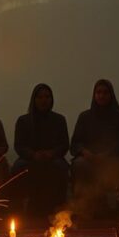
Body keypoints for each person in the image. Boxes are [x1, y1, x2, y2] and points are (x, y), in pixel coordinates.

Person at [70, 79, 119, 218]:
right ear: (94, 95)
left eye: (105, 93)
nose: (101, 96)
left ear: (111, 95)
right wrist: (85, 152)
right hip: (87, 158)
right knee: (79, 165)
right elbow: (75, 143)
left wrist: (106, 155)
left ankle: (112, 208)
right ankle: (83, 207)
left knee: (115, 167)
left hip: (111, 158)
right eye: (98, 92)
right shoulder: (84, 117)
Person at [11, 84, 69, 217]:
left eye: (47, 97)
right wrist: (33, 154)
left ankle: (59, 208)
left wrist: (51, 153)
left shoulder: (59, 120)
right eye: (40, 97)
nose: (44, 100)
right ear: (34, 99)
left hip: (53, 157)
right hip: (29, 158)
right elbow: (19, 145)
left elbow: (64, 144)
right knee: (17, 168)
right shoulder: (23, 121)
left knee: (61, 167)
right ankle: (19, 209)